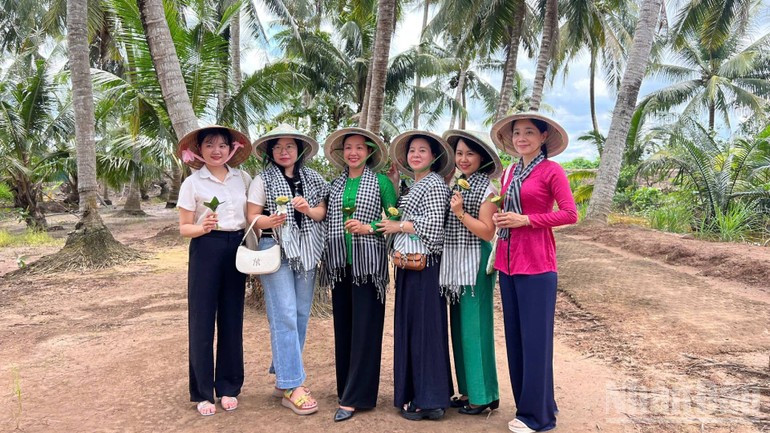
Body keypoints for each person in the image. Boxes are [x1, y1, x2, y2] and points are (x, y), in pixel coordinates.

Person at [490, 113, 578, 433]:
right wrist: (504, 218)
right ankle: (535, 404)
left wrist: (527, 220)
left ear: (543, 137)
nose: (521, 137)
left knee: (536, 343)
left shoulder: (551, 170)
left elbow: (570, 213)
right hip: (508, 263)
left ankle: (538, 418)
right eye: (516, 133)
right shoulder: (510, 171)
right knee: (516, 341)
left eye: (529, 132)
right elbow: (507, 210)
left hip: (538, 266)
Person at [246, 124, 329, 416]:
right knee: (284, 315)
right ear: (271, 152)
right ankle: (293, 385)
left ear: (299, 151)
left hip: (306, 252)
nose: (284, 152)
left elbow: (321, 213)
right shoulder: (262, 179)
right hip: (274, 249)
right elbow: (252, 218)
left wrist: (306, 209)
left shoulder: (314, 179)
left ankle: (284, 376)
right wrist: (271, 221)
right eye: (278, 147)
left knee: (300, 314)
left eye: (289, 147)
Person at [321, 127, 398, 422]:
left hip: (368, 267)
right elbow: (326, 216)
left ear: (369, 152)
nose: (353, 152)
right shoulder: (335, 184)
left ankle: (357, 397)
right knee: (344, 328)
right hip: (340, 263)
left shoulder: (380, 182)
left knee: (366, 329)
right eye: (348, 148)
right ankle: (346, 389)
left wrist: (369, 228)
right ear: (342, 154)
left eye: (359, 148)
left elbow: (394, 218)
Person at [177, 125, 252, 416]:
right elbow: (184, 228)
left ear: (232, 149)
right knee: (202, 319)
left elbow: (251, 215)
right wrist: (202, 227)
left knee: (232, 318)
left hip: (237, 248)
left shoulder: (242, 178)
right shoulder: (192, 183)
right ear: (199, 150)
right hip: (205, 247)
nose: (216, 150)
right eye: (209, 145)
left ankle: (229, 387)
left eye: (222, 145)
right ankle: (203, 392)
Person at [379, 130, 454, 421]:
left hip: (426, 267)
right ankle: (426, 394)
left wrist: (398, 226)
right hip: (411, 266)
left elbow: (435, 226)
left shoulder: (434, 184)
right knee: (417, 329)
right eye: (412, 150)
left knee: (424, 330)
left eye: (422, 150)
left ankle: (429, 400)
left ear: (433, 157)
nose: (416, 155)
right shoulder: (416, 184)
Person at [440, 130, 502, 415]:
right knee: (459, 329)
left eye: (470, 154)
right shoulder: (456, 184)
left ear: (482, 158)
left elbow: (488, 231)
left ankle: (484, 395)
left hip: (475, 262)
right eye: (460, 153)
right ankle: (468, 391)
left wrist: (461, 213)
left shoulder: (487, 189)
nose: (463, 159)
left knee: (475, 328)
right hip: (454, 263)